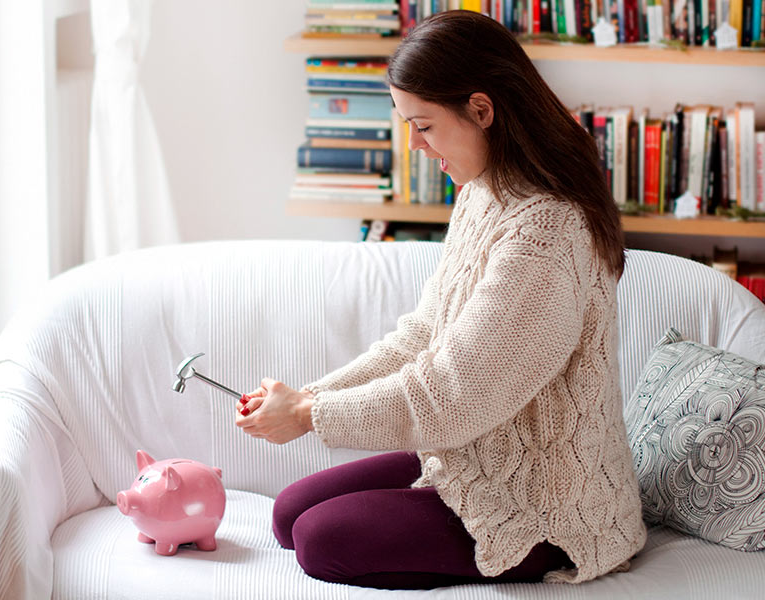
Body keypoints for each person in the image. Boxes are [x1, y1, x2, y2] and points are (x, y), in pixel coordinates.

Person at [235, 9, 647, 590]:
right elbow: (424, 334)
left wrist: (307, 417)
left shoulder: (548, 233)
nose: (416, 145)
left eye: (423, 125)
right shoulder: (484, 192)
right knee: (286, 513)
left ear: (481, 110)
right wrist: (311, 396)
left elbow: (452, 396)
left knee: (317, 539)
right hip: (472, 450)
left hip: (544, 509)